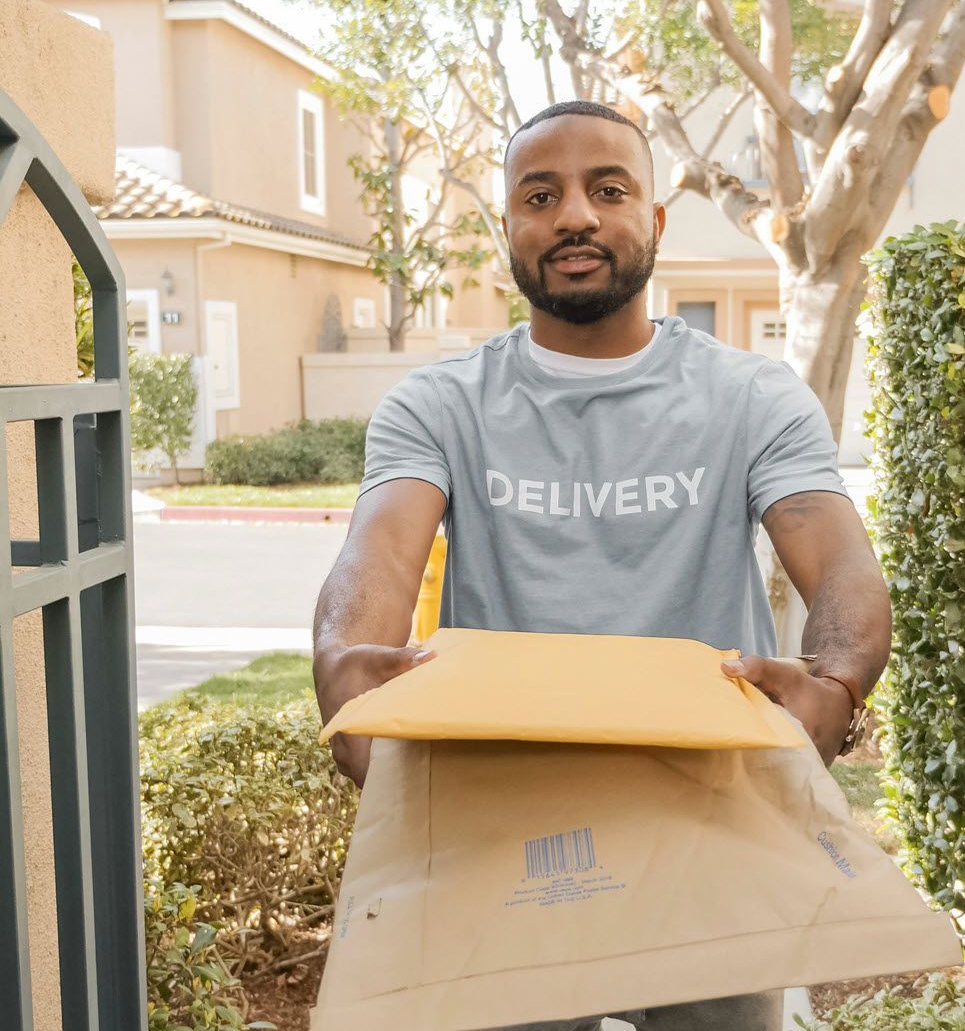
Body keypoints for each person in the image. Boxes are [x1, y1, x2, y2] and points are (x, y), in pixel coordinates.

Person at [312, 100, 892, 1031]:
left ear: (654, 221)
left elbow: (837, 555)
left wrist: (838, 678)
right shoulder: (439, 405)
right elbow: (379, 547)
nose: (574, 215)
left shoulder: (751, 397)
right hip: (503, 821)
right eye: (540, 195)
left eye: (607, 189)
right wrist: (345, 657)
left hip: (711, 819)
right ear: (508, 228)